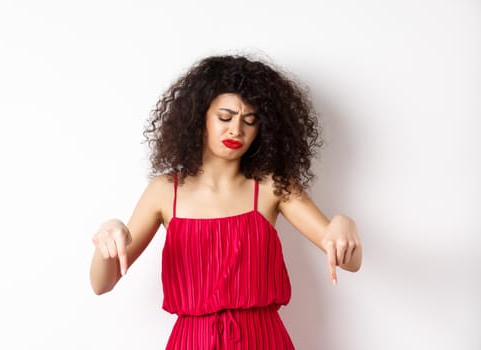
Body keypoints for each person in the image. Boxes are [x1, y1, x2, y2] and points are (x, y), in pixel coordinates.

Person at [89, 54, 362, 349]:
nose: (236, 130)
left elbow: (351, 262)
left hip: (263, 341)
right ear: (199, 117)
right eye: (225, 117)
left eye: (250, 121)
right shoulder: (165, 191)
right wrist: (108, 235)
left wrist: (345, 225)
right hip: (193, 342)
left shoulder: (273, 187)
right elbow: (101, 284)